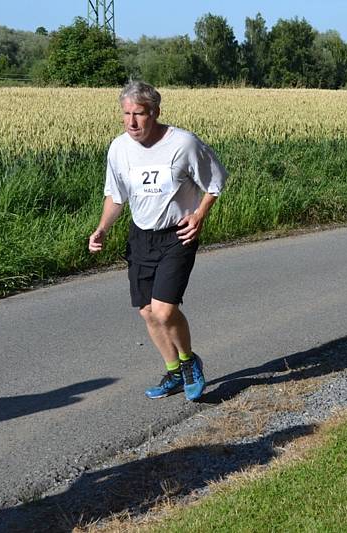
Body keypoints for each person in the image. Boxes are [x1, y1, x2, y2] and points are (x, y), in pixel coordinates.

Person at [88, 80, 228, 401]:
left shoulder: (183, 144)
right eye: (126, 114)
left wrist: (199, 215)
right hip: (141, 237)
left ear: (155, 112)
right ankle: (175, 372)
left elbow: (215, 181)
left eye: (139, 114)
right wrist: (103, 229)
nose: (132, 122)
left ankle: (190, 362)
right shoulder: (119, 148)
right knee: (148, 313)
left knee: (165, 311)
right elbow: (116, 197)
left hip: (176, 235)